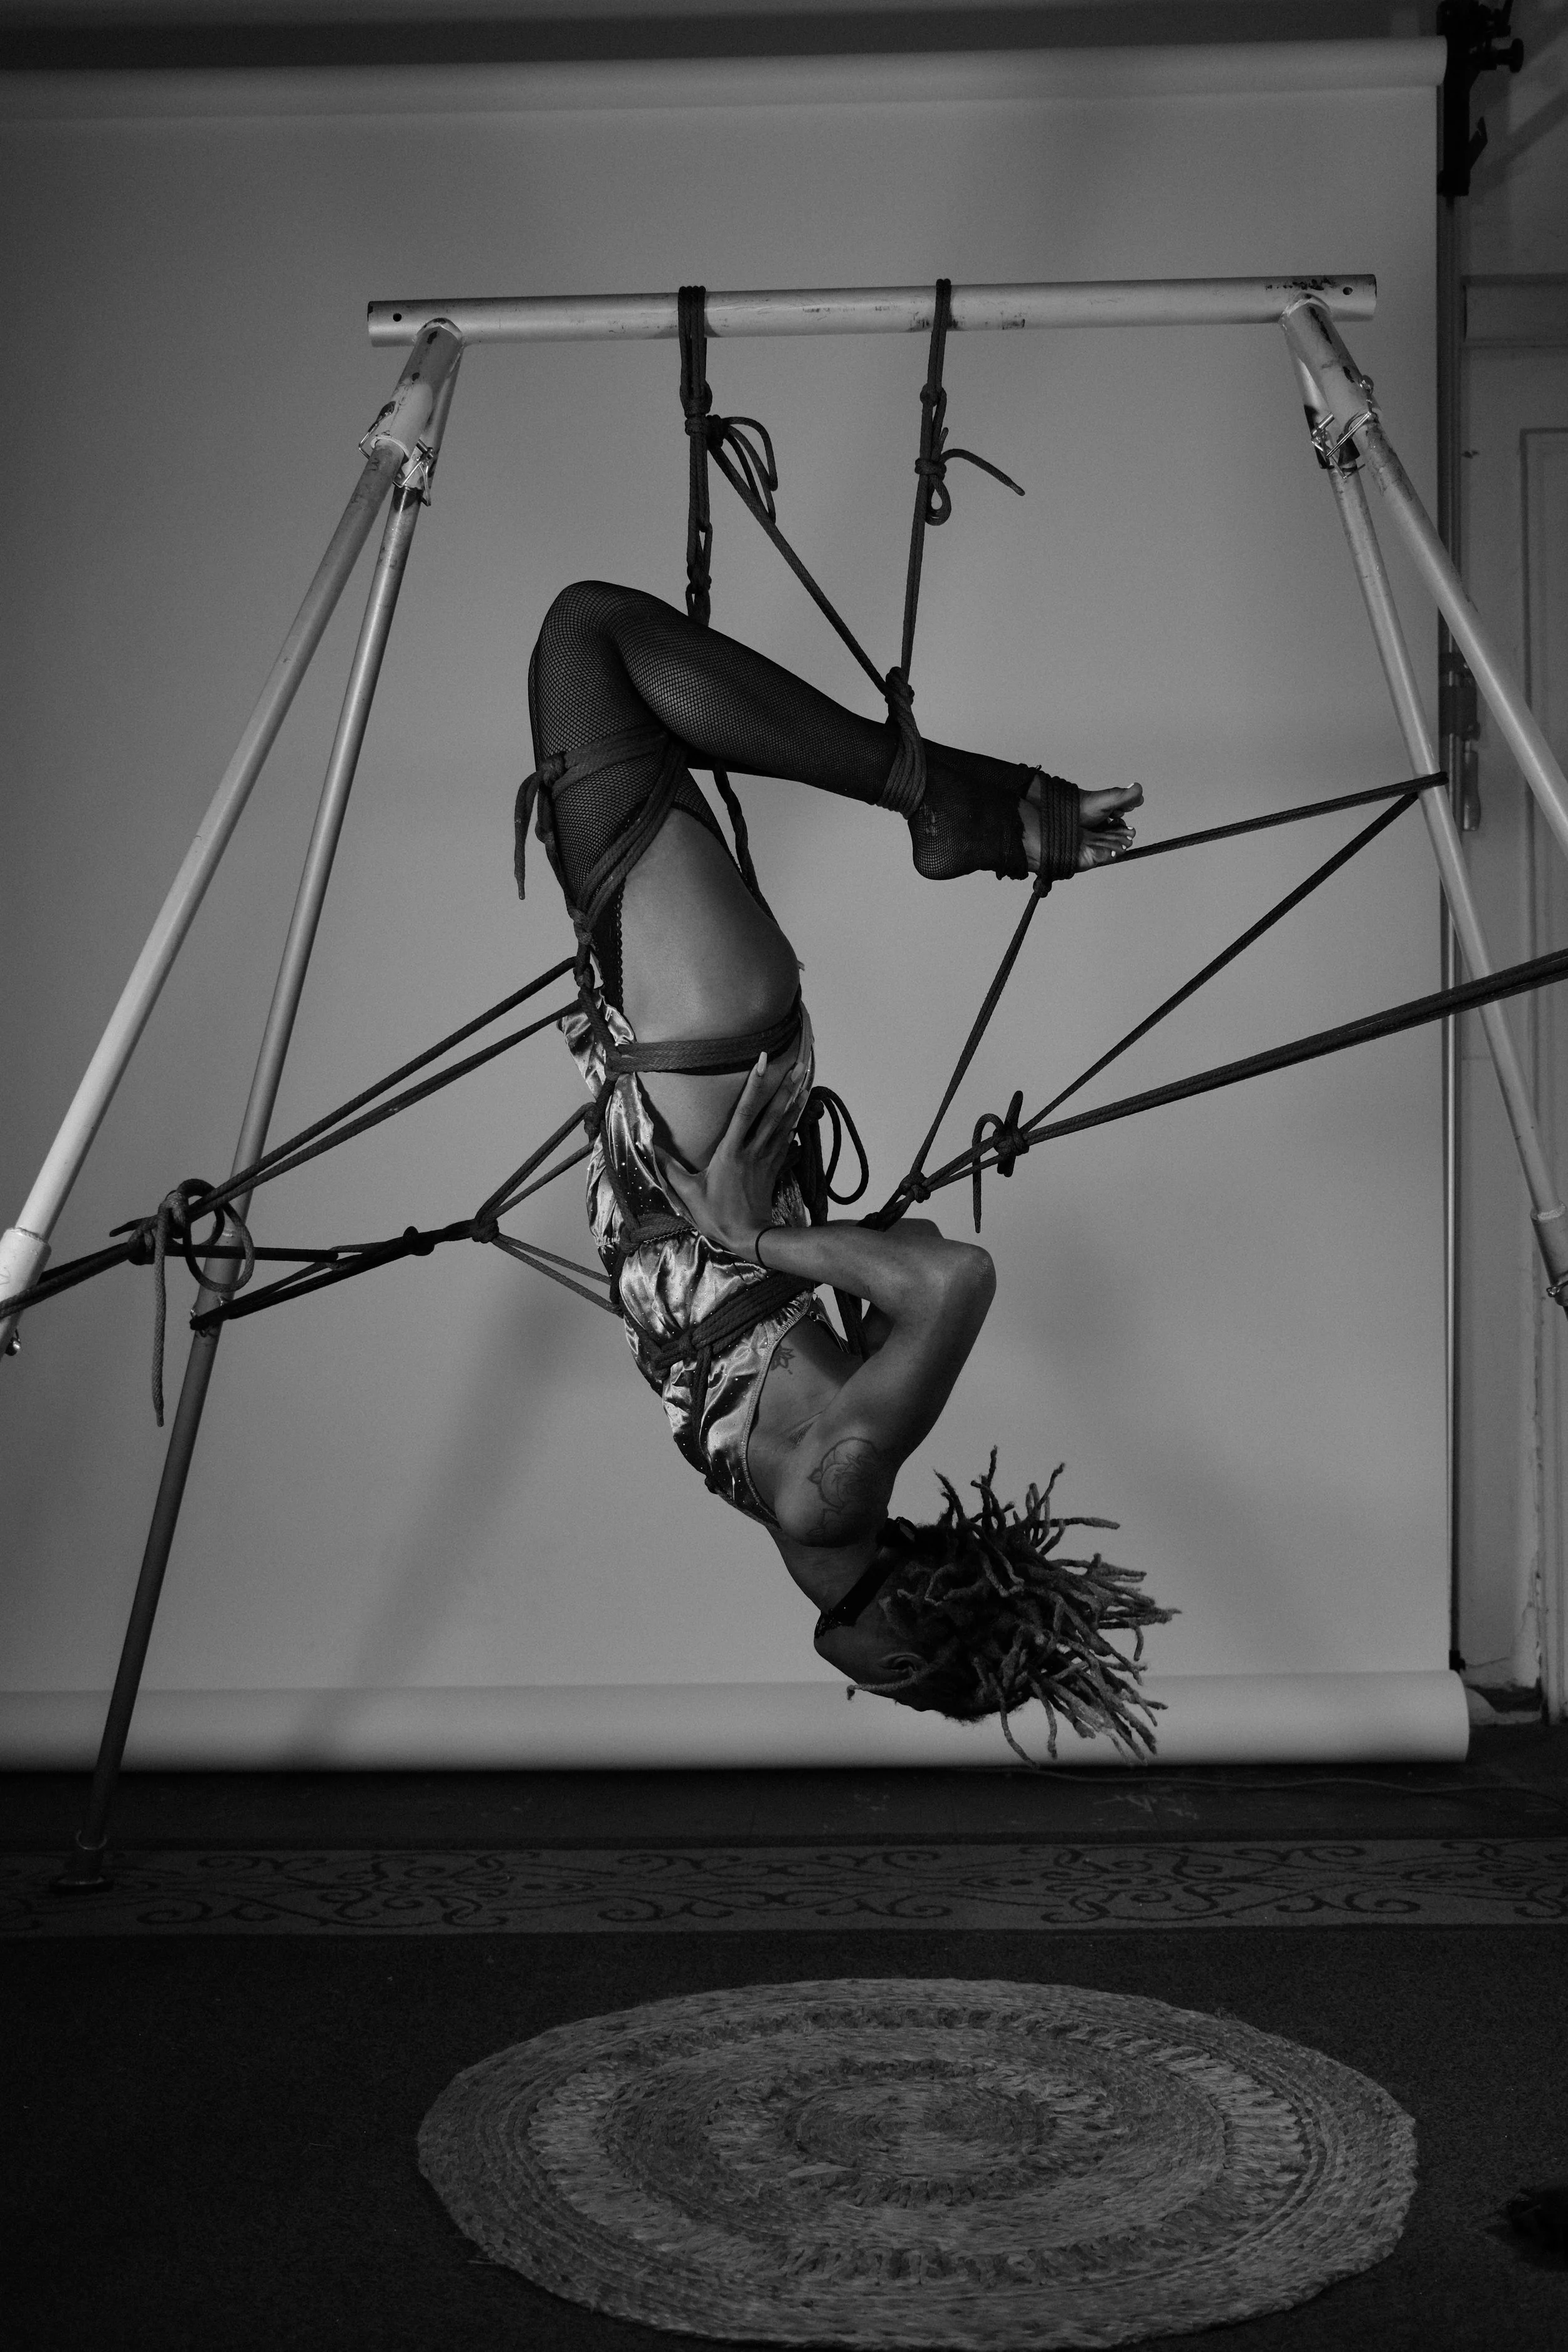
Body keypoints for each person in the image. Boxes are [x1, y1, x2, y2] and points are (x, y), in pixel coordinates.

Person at [519, 579, 1168, 1753]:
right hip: (701, 1047)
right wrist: (756, 1238)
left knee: (624, 694)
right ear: (909, 1645)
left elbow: (906, 1264)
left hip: (680, 1041)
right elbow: (952, 1275)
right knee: (588, 638)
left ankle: (957, 799)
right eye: (912, 1688)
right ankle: (946, 800)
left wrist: (829, 1296)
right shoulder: (837, 1492)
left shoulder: (817, 1500)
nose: (884, 1689)